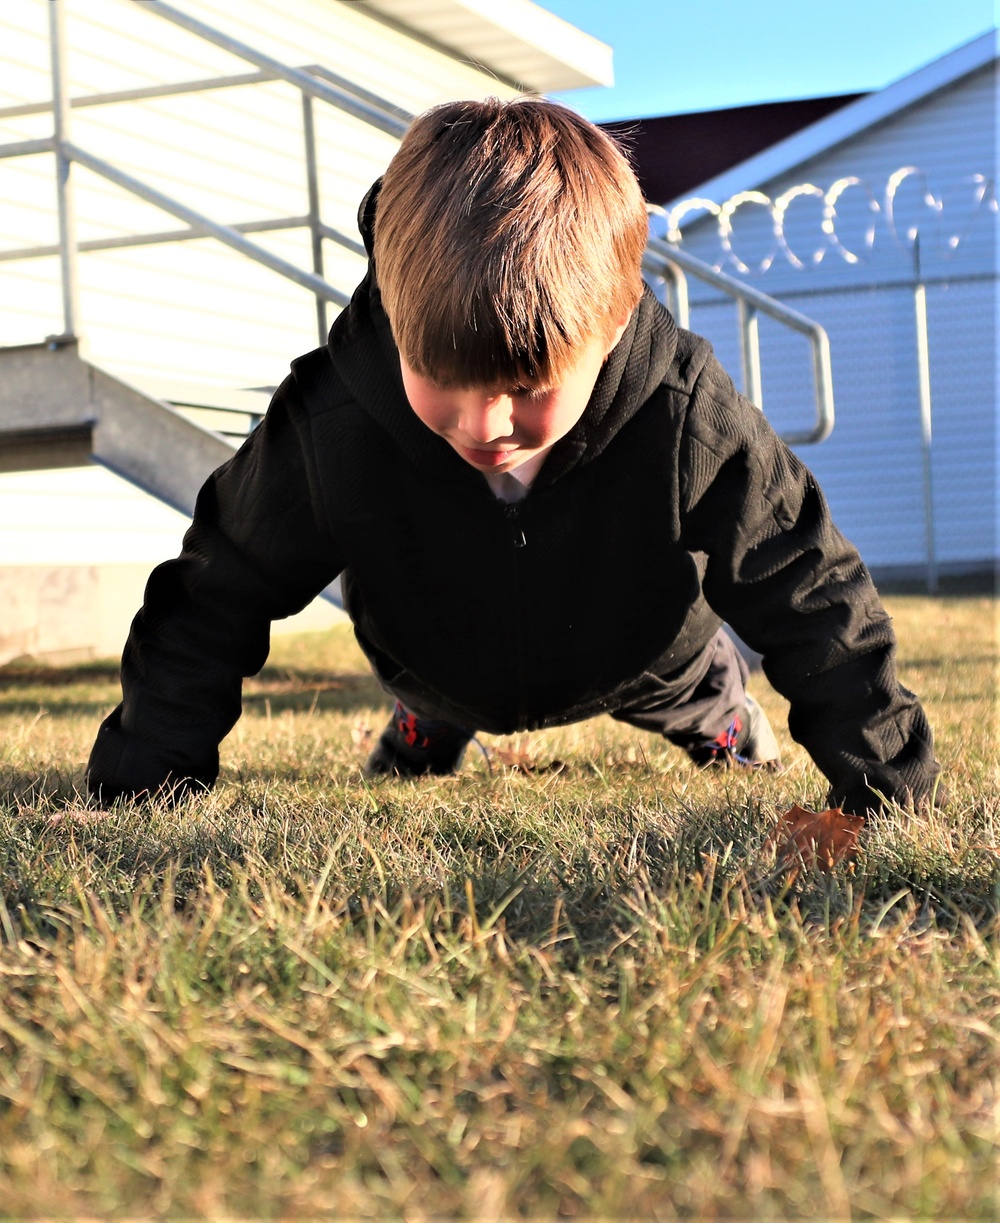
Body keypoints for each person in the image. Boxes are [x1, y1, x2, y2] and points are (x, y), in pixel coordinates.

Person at [86, 97, 941, 817]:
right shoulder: (332, 417)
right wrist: (144, 781)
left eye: (528, 384)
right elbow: (217, 589)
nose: (485, 423)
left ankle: (720, 716)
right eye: (442, 380)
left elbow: (807, 584)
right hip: (433, 657)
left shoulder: (682, 407)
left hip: (644, 656)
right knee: (435, 690)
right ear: (395, 311)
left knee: (695, 688)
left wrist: (887, 784)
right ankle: (426, 719)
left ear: (609, 332)